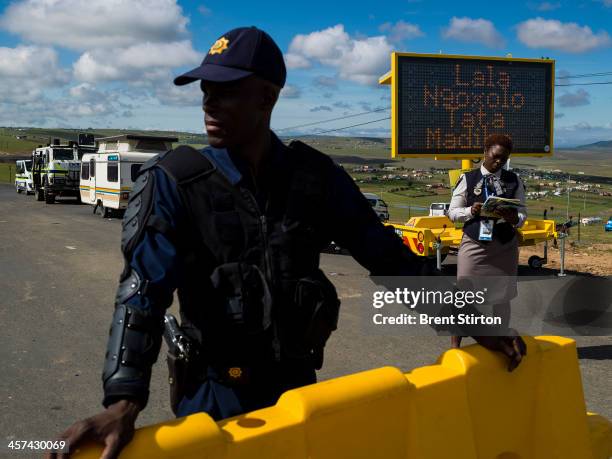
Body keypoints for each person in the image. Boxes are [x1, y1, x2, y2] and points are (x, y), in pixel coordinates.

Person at [49, 27, 527, 459]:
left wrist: (473, 321)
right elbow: (141, 293)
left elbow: (389, 257)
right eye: (206, 90)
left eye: (227, 91)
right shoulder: (175, 182)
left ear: (266, 98)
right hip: (212, 398)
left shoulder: (314, 178)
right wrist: (123, 400)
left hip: (296, 391)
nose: (209, 103)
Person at [448, 134, 527, 348]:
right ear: (485, 152)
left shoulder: (514, 180)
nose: (499, 161)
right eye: (496, 156)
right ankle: (455, 346)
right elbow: (452, 212)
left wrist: (514, 218)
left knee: (502, 297)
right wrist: (469, 211)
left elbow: (522, 214)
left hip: (504, 246)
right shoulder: (468, 179)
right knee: (465, 295)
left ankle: (501, 340)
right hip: (475, 244)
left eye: (504, 158)